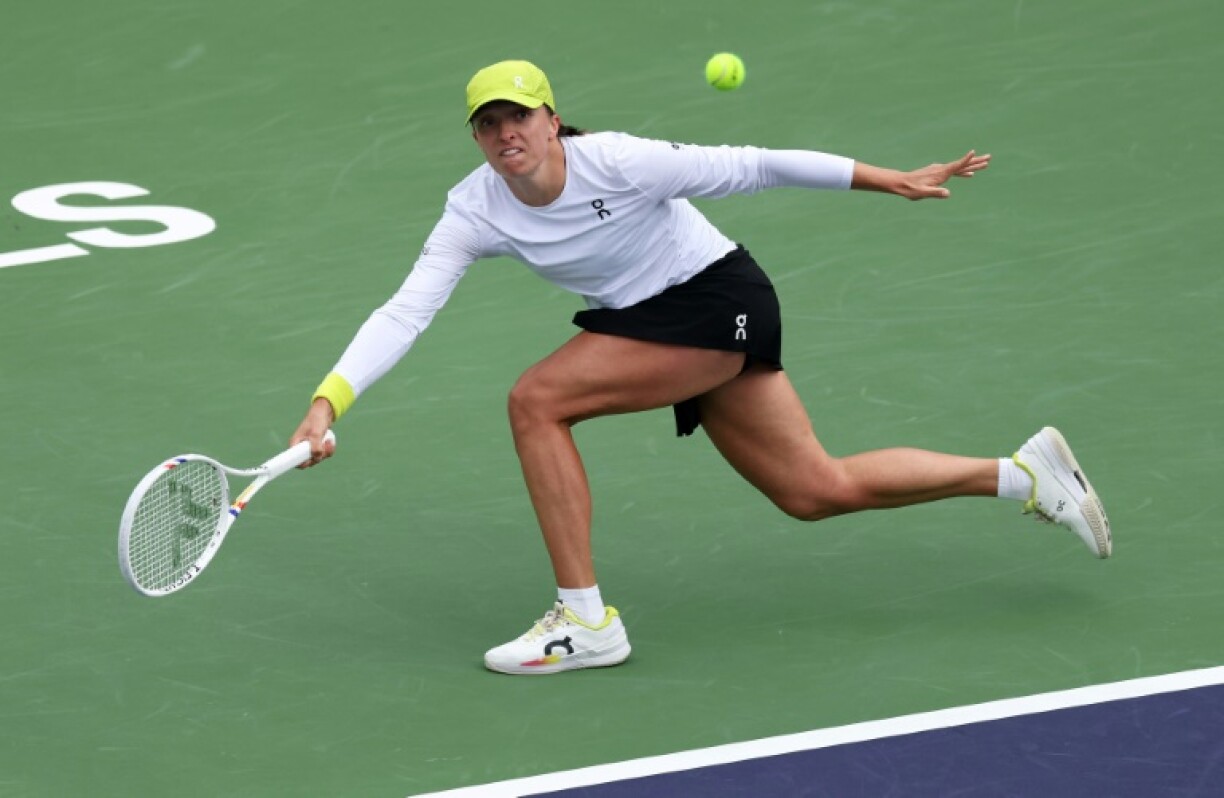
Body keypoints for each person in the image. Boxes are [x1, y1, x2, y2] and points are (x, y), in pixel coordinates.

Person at [290, 59, 1111, 676]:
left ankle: (585, 622)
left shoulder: (618, 161)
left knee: (536, 401)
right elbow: (407, 308)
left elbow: (755, 163)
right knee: (813, 491)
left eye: (520, 117)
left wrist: (887, 180)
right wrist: (330, 402)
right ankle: (1023, 476)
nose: (506, 134)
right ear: (475, 135)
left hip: (715, 299)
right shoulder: (473, 208)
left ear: (551, 119)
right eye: (487, 122)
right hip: (651, 322)